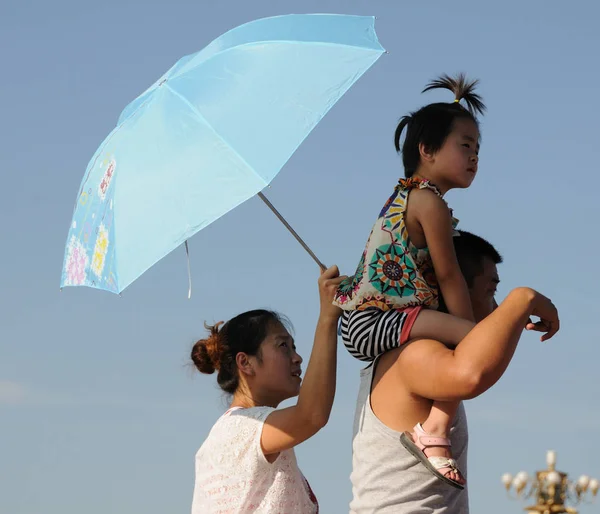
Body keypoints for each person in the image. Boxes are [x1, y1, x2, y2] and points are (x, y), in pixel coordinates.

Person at [335, 73, 518, 487]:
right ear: (427, 150)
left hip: (380, 317)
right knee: (469, 343)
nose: (474, 157)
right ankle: (434, 431)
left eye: (478, 149)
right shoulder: (426, 201)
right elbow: (450, 276)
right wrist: (470, 331)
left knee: (467, 336)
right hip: (373, 320)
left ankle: (435, 427)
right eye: (465, 146)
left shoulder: (417, 199)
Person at [349, 231, 560, 513]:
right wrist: (523, 299)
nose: (495, 309)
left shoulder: (428, 356)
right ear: (455, 288)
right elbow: (471, 376)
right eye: (490, 292)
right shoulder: (414, 354)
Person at [190, 265, 344, 514]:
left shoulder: (231, 431)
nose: (298, 358)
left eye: (293, 347)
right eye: (283, 346)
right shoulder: (241, 428)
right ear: (245, 363)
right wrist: (327, 317)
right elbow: (312, 415)